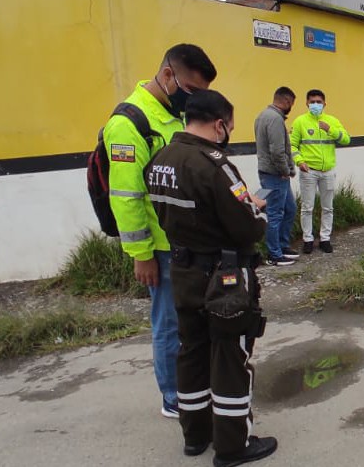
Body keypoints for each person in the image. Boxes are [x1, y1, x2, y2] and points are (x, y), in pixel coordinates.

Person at [146, 90, 279, 466]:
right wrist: (257, 209)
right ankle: (234, 446)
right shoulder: (215, 166)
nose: (229, 133)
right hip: (224, 279)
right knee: (230, 357)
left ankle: (195, 437)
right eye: (230, 127)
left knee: (191, 352)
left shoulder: (161, 160)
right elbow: (248, 229)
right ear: (219, 124)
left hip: (183, 271)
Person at [104, 43, 216, 419]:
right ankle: (174, 398)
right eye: (191, 91)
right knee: (169, 325)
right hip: (162, 250)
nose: (194, 101)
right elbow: (126, 196)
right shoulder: (129, 124)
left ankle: (195, 388)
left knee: (192, 321)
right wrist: (142, 255)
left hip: (188, 243)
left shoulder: (172, 118)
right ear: (168, 75)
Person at [290, 89, 351, 254]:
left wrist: (330, 129)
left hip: (328, 171)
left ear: (325, 103)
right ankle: (308, 239)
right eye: (312, 102)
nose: (315, 105)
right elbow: (292, 145)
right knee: (307, 207)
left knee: (328, 207)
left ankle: (325, 238)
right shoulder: (300, 121)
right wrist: (299, 161)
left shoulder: (332, 121)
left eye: (318, 102)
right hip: (308, 170)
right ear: (307, 104)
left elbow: (346, 139)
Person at [254, 87, 299, 266]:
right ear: (287, 101)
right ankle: (274, 254)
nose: (291, 108)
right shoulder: (274, 119)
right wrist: (284, 171)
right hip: (275, 175)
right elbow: (277, 151)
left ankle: (282, 245)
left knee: (290, 209)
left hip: (273, 173)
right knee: (275, 214)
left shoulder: (263, 116)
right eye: (292, 104)